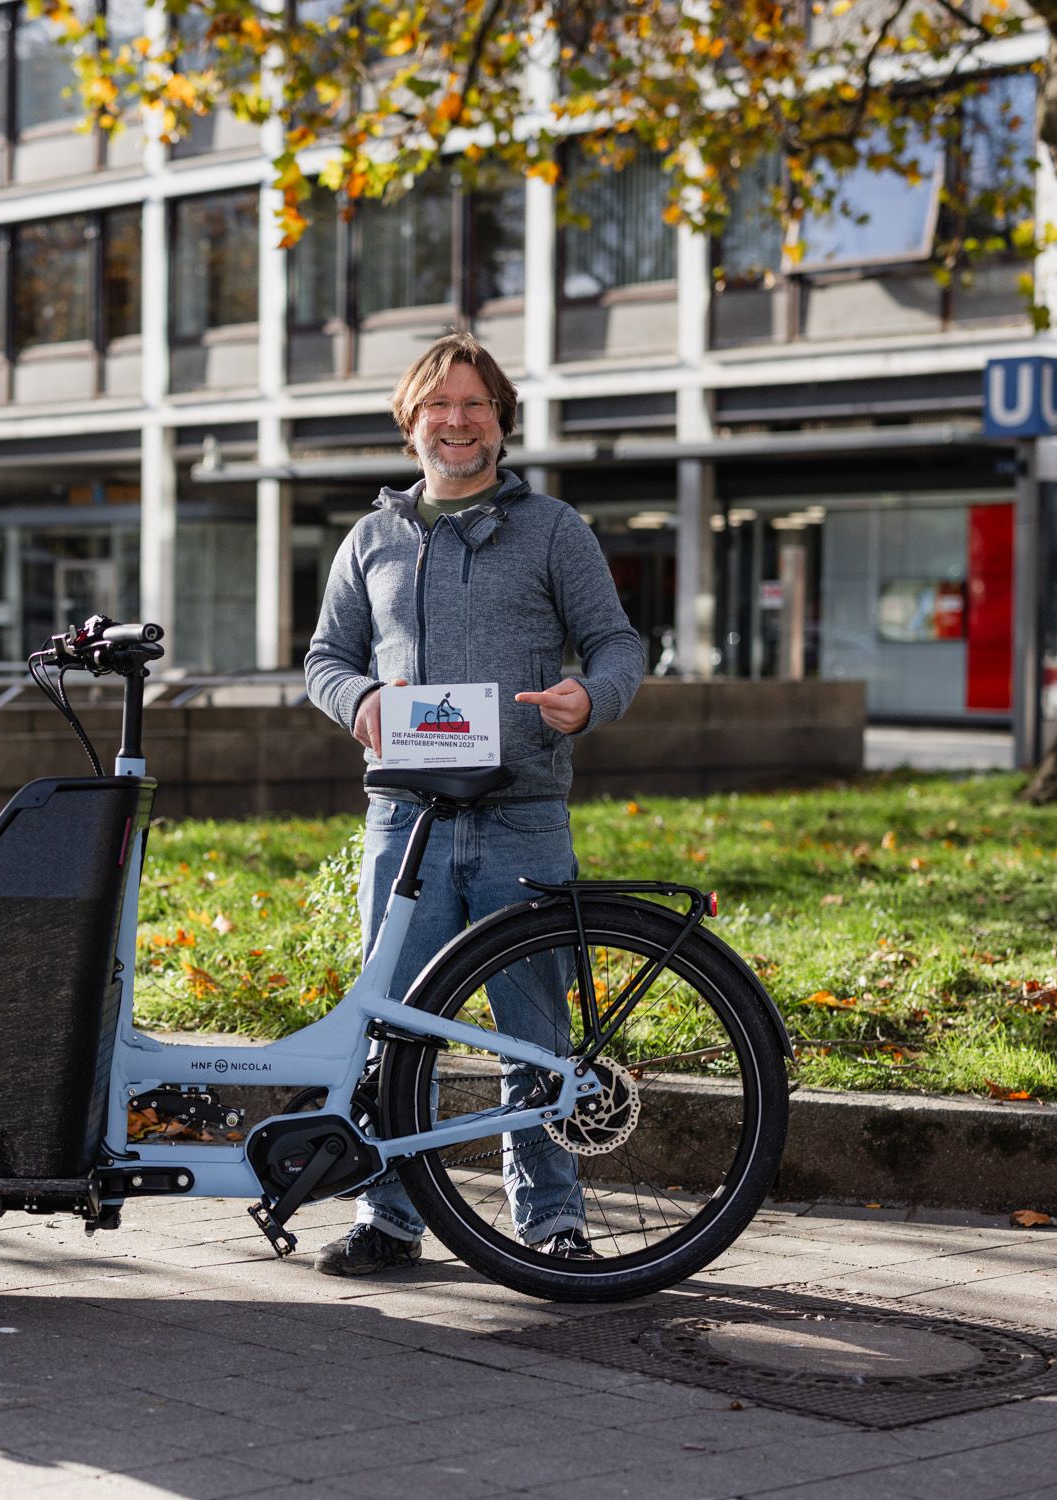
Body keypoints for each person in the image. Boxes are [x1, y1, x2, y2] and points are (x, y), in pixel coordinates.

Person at [302, 331, 646, 1277]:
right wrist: (358, 700)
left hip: (521, 817)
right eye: (437, 408)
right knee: (394, 1028)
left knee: (533, 1032)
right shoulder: (371, 538)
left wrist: (590, 699)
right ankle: (391, 1219)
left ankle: (550, 1225)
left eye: (475, 405)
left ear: (500, 419)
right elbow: (323, 659)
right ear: (410, 424)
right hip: (404, 822)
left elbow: (616, 645)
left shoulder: (552, 530)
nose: (456, 423)